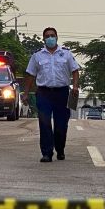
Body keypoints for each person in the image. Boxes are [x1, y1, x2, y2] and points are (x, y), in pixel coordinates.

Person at [23, 27, 80, 162]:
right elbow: (30, 74)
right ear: (44, 39)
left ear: (57, 37)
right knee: (44, 123)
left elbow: (75, 70)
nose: (50, 38)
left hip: (62, 93)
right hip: (44, 93)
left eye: (52, 35)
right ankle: (47, 153)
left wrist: (75, 87)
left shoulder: (66, 54)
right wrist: (25, 93)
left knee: (61, 125)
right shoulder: (37, 55)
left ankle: (60, 149)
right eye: (47, 36)